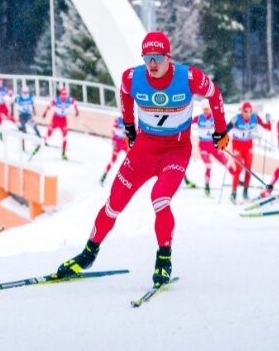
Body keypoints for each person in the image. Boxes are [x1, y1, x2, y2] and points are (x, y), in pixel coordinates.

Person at [55, 31, 229, 287]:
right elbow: (124, 94)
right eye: (147, 58)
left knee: (159, 198)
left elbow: (214, 95)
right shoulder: (133, 77)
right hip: (144, 149)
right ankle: (88, 254)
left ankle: (163, 258)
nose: (152, 64)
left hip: (176, 150)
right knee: (114, 203)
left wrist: (220, 130)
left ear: (168, 57)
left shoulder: (189, 77)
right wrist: (129, 127)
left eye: (157, 57)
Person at [228, 101, 272, 202]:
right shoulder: (236, 118)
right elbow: (225, 130)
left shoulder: (255, 118)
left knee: (248, 170)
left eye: (249, 111)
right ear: (242, 111)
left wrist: (269, 121)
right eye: (245, 111)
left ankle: (245, 192)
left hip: (248, 146)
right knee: (238, 169)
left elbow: (267, 128)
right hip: (237, 146)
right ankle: (234, 192)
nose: (247, 113)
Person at [193, 105, 233, 197]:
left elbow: (223, 127)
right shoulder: (199, 118)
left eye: (207, 109)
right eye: (204, 109)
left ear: (210, 109)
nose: (205, 111)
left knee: (225, 162)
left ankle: (237, 179)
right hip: (203, 146)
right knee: (208, 165)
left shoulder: (215, 117)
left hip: (214, 145)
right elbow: (188, 123)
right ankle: (207, 186)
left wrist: (222, 139)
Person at [42, 86, 79, 160]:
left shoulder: (70, 100)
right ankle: (41, 143)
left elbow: (75, 104)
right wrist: (45, 113)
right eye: (63, 94)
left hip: (63, 120)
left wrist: (77, 111)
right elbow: (49, 106)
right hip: (55, 119)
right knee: (49, 134)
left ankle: (63, 153)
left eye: (65, 94)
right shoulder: (56, 100)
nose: (64, 96)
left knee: (65, 137)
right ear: (60, 94)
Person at [101, 116, 129, 185]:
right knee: (113, 160)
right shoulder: (118, 119)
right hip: (117, 144)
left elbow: (134, 132)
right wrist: (113, 141)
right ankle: (105, 174)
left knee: (130, 159)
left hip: (125, 143)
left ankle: (131, 177)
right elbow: (113, 131)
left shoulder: (131, 119)